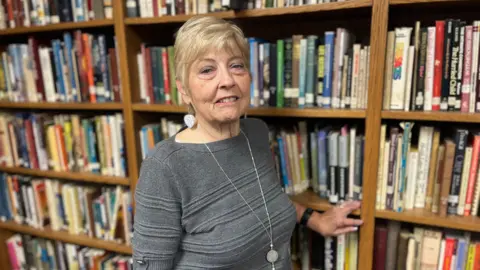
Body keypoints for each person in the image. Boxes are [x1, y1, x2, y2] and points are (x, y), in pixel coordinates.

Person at [132, 16, 363, 270]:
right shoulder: (164, 167)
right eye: (207, 70)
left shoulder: (255, 132)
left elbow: (263, 199)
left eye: (237, 66)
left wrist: (315, 219)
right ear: (184, 90)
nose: (227, 80)